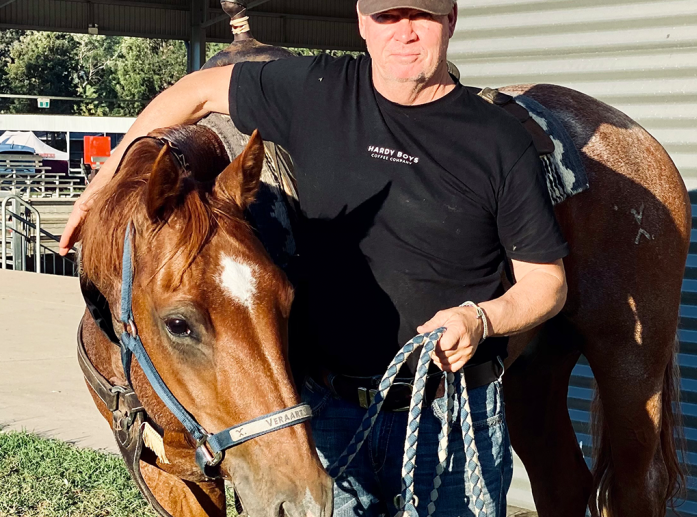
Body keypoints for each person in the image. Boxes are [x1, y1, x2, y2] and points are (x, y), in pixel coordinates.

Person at [59, 1, 568, 515]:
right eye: (387, 17)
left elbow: (547, 284)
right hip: (331, 410)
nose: (405, 33)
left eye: (423, 17)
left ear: (451, 21)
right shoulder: (319, 89)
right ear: (362, 23)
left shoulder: (499, 141)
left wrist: (480, 318)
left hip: (448, 417)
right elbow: (196, 91)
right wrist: (104, 182)